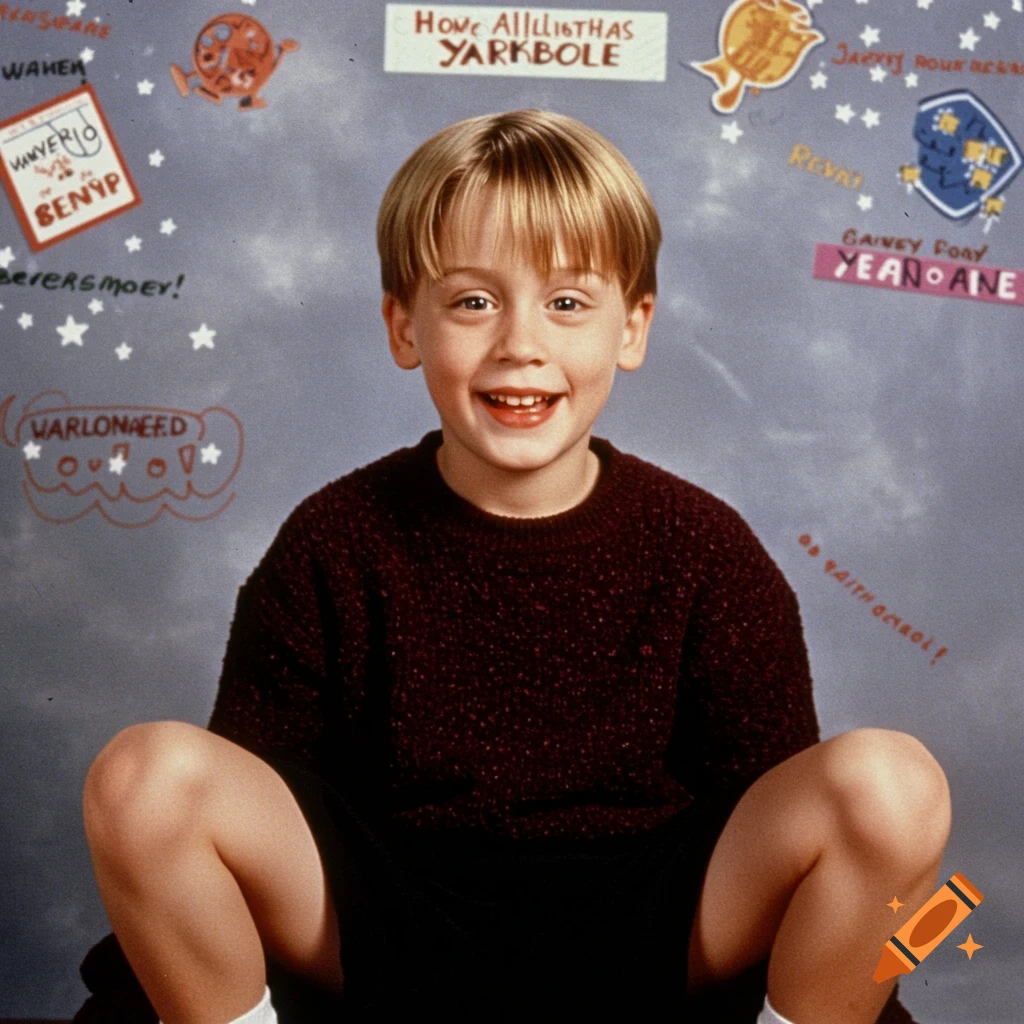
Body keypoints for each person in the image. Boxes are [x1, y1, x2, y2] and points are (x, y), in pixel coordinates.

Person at [79, 110, 949, 1024]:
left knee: (892, 785)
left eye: (567, 303)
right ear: (403, 326)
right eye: (472, 301)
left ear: (634, 326)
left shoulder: (708, 550)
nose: (519, 344)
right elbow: (246, 810)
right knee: (146, 776)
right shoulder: (332, 540)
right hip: (384, 936)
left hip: (651, 944)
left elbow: (782, 827)